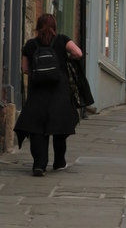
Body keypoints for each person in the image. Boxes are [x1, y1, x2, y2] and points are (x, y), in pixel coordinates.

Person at [14, 13, 83, 176]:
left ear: (38, 27)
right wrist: (65, 60)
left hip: (38, 93)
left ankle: (39, 164)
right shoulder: (61, 40)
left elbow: (24, 69)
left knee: (37, 129)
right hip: (59, 93)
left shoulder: (30, 45)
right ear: (54, 27)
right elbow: (78, 53)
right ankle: (59, 162)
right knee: (59, 128)